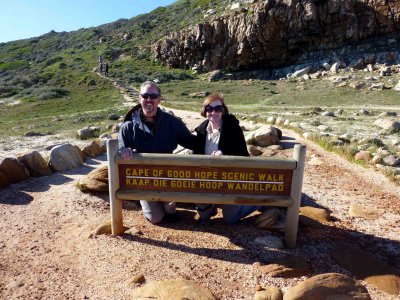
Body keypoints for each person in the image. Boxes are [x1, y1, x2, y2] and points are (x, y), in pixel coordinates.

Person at [118, 81, 198, 224]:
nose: (149, 100)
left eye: (153, 96)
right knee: (155, 219)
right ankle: (144, 201)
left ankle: (171, 209)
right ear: (140, 98)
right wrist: (125, 150)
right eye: (145, 96)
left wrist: (211, 135)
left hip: (168, 176)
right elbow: (121, 150)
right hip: (144, 180)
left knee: (170, 208)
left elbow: (191, 142)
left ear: (159, 99)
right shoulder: (128, 127)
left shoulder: (171, 122)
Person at [193, 93, 265, 225]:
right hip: (207, 178)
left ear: (223, 110)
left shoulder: (232, 128)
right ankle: (208, 210)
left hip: (229, 179)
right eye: (209, 109)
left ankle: (258, 202)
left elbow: (243, 154)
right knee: (196, 190)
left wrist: (225, 155)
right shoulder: (201, 130)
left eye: (217, 109)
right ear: (204, 110)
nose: (213, 112)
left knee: (230, 219)